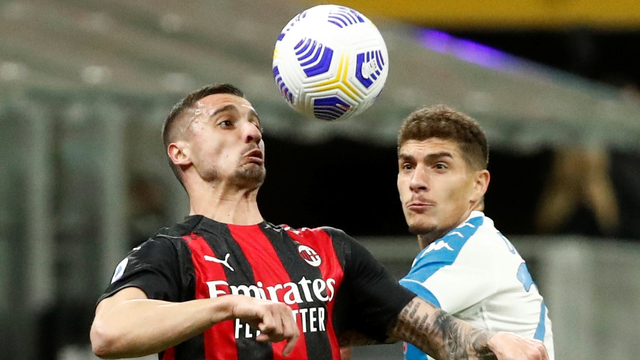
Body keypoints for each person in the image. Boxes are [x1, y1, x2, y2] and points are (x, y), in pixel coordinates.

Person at [89, 84, 548, 360]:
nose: (251, 132)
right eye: (226, 123)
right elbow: (109, 333)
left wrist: (493, 343)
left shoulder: (329, 249)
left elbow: (435, 332)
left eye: (255, 124)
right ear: (180, 153)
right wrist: (226, 306)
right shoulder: (172, 252)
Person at [394, 105, 555, 360]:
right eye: (407, 166)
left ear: (478, 185)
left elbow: (384, 310)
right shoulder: (474, 245)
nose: (417, 182)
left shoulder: (470, 248)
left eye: (439, 166)